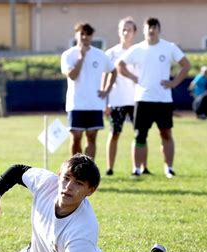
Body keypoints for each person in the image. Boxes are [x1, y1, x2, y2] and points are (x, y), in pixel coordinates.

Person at [0, 153, 166, 252]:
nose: (68, 186)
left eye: (78, 183)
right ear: (59, 175)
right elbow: (17, 171)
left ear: (90, 191)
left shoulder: (83, 229)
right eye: (66, 178)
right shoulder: (48, 183)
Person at [117, 17, 191, 178]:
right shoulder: (138, 49)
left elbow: (186, 65)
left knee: (166, 133)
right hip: (143, 98)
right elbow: (120, 65)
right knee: (140, 135)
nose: (151, 30)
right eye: (148, 28)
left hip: (163, 99)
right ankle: (136, 169)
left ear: (159, 29)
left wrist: (174, 82)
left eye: (154, 27)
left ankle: (169, 168)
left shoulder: (169, 47)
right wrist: (133, 77)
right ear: (144, 30)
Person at [61, 22, 117, 158]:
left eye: (88, 34)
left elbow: (113, 71)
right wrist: (81, 57)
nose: (85, 37)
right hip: (76, 104)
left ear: (92, 36)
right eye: (82, 34)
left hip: (94, 103)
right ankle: (75, 168)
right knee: (76, 137)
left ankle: (88, 169)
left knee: (92, 138)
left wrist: (106, 90)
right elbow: (72, 76)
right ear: (76, 35)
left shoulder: (100, 55)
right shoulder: (68, 55)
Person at [104, 17, 150, 176]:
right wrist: (105, 102)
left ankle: (142, 167)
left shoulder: (141, 51)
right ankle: (110, 168)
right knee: (115, 133)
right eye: (123, 29)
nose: (126, 32)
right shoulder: (111, 53)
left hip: (138, 99)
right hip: (117, 99)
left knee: (140, 133)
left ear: (135, 32)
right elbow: (104, 78)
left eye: (129, 29)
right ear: (119, 31)